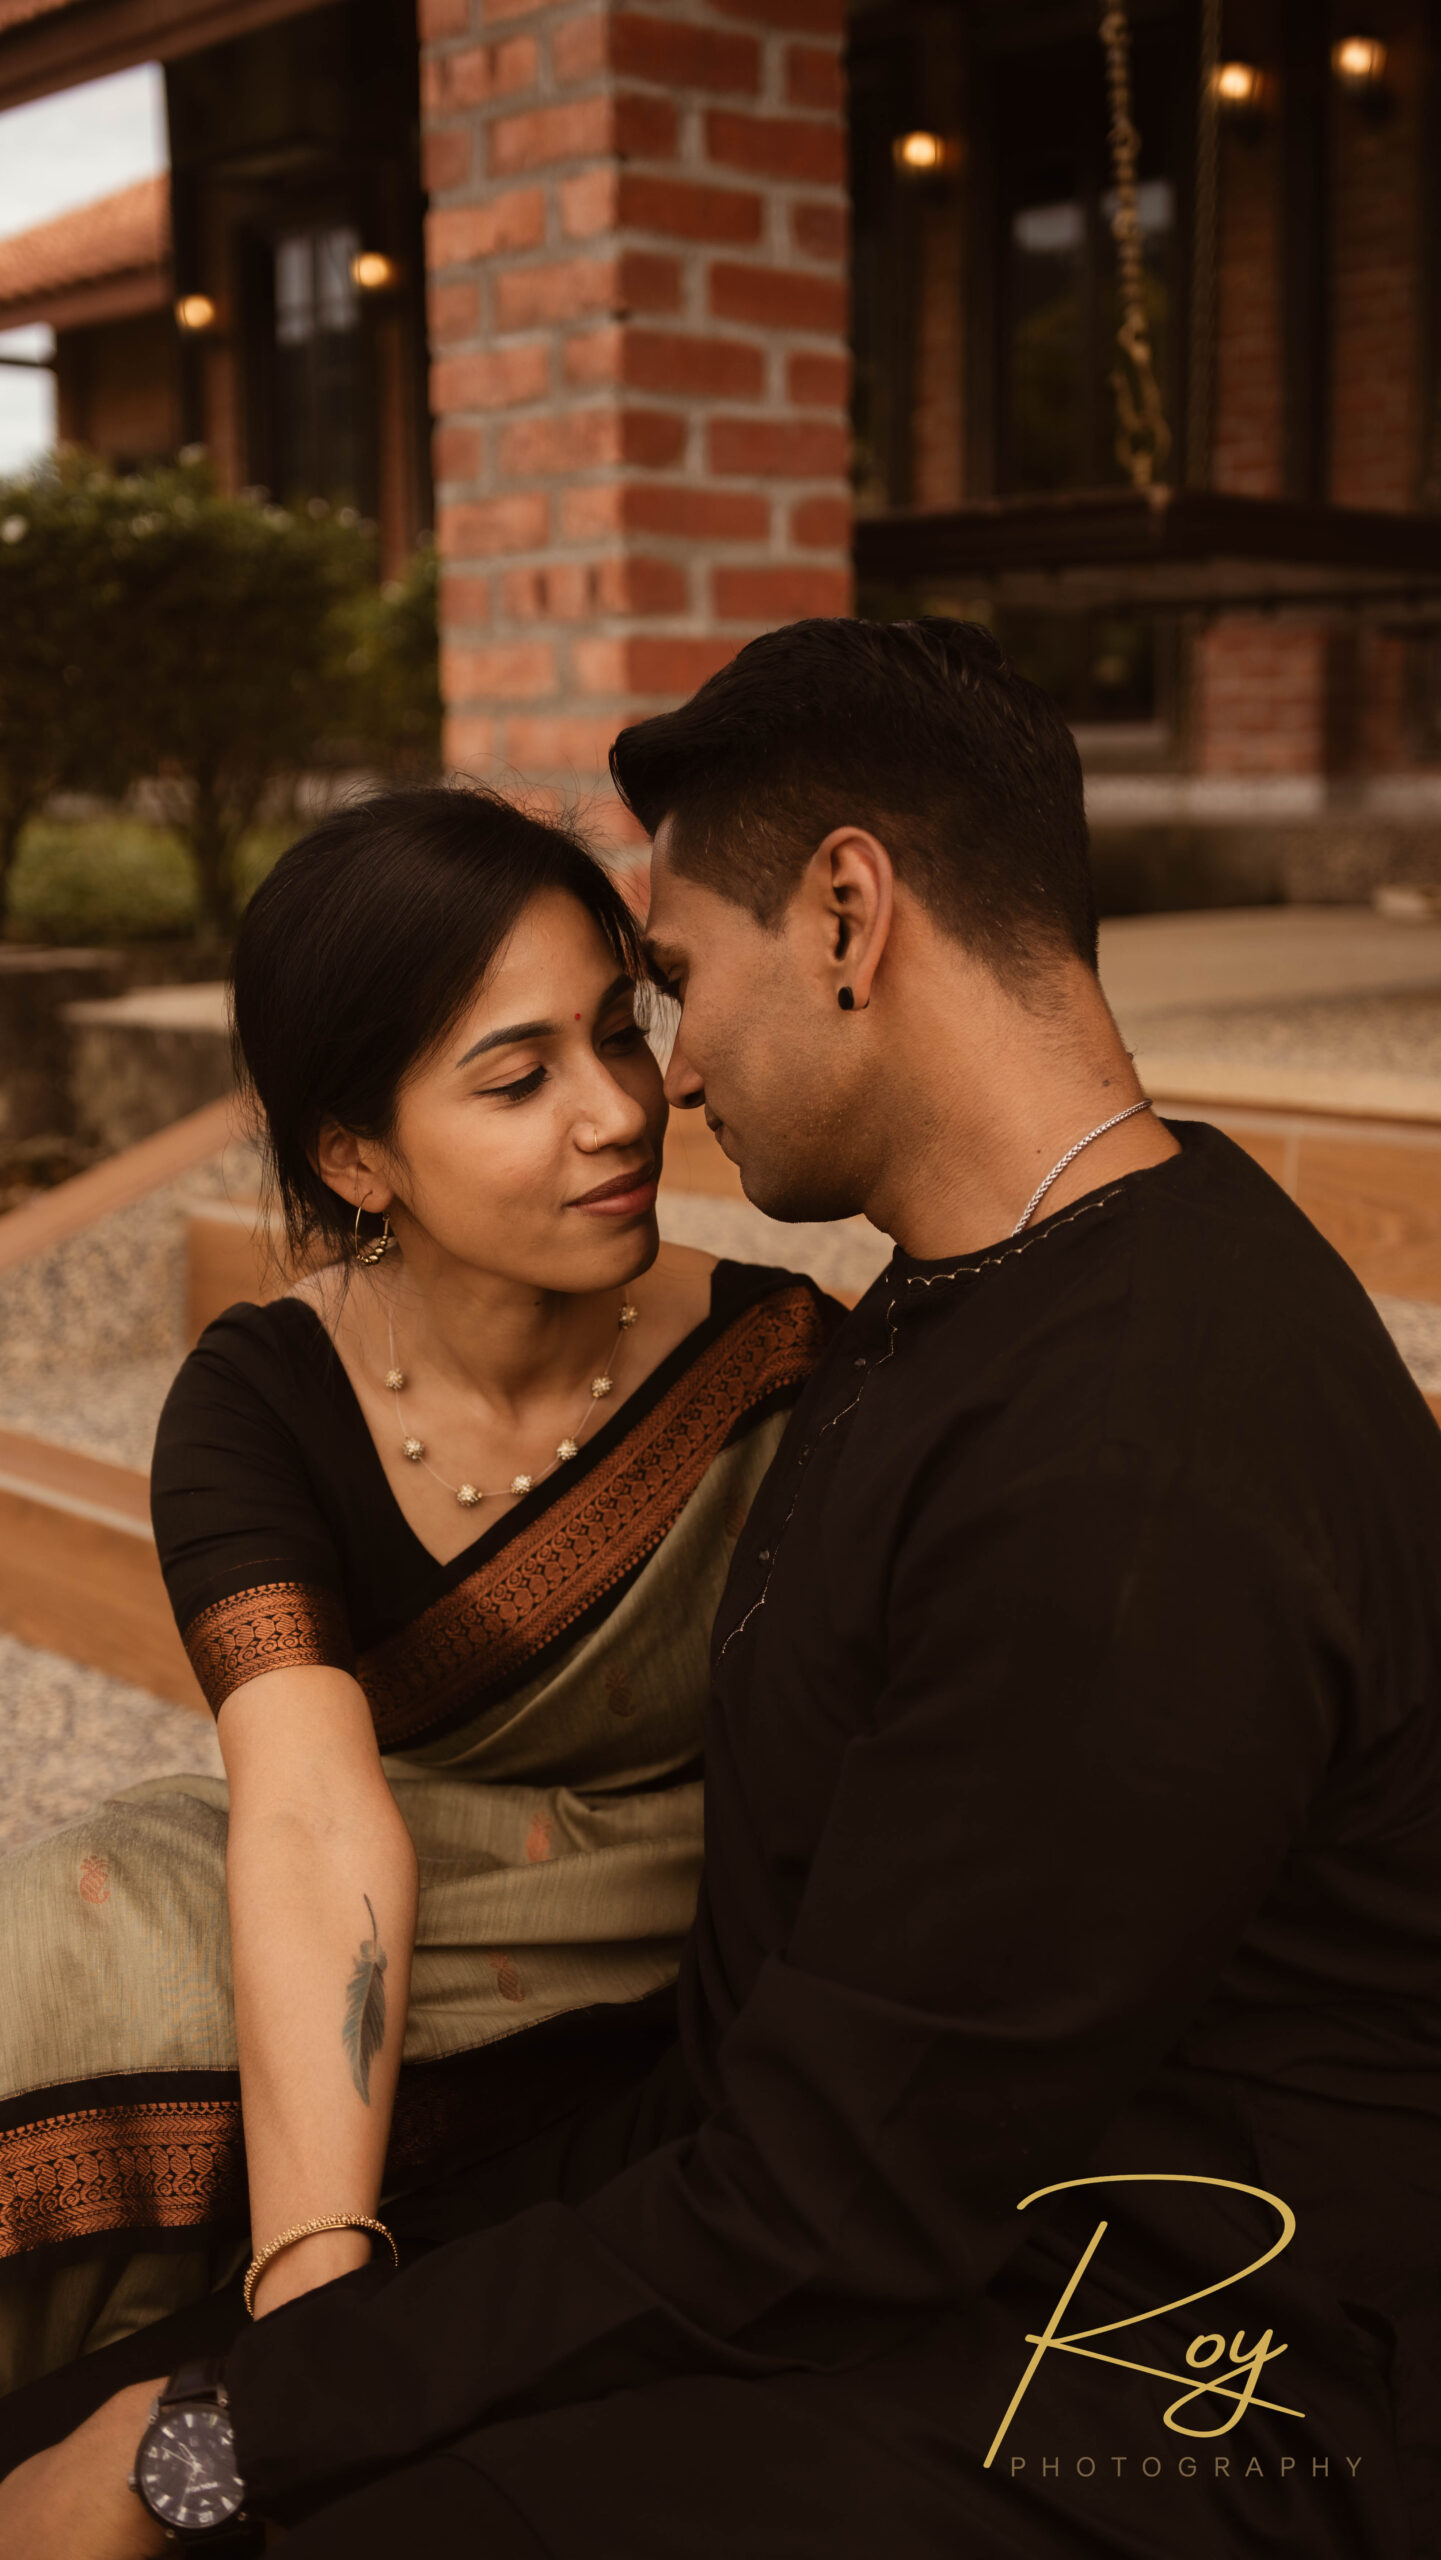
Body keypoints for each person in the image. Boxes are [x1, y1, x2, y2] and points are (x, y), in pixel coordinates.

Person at [3, 619, 1439, 2560]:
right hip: (871, 2216)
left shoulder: (1134, 1442)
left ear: (848, 915)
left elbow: (829, 2196)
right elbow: (764, 2082)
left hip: (1163, 2359)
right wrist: (257, 2364)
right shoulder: (969, 1307)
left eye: (665, 988)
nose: (661, 1084)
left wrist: (232, 2441)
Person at [0, 787, 833, 2399]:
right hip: (347, 1921)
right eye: (519, 1079)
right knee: (62, 1959)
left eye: (620, 1032)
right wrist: (315, 2304)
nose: (616, 1111)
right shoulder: (260, 1402)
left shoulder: (779, 1371)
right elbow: (310, 1812)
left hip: (662, 2009)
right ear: (355, 1156)